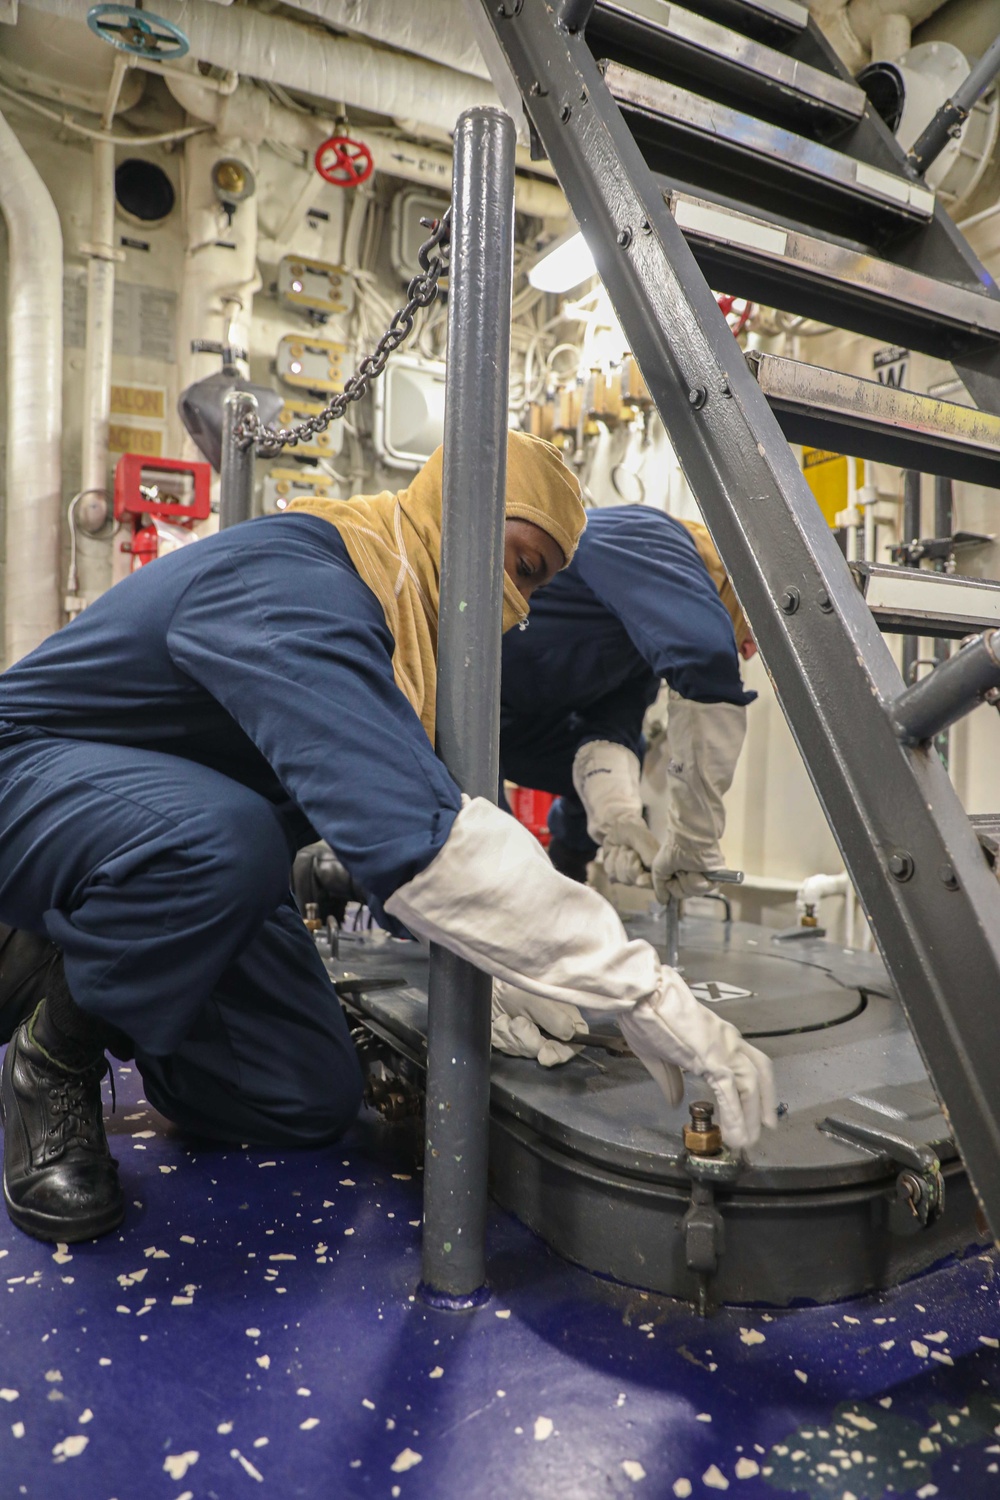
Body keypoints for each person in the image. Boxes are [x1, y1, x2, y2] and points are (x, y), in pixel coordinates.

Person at [0, 433, 774, 1245]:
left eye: (539, 580)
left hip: (180, 854)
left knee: (303, 1098)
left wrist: (501, 958)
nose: (520, 602)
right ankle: (54, 1056)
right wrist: (640, 989)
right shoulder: (306, 582)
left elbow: (406, 837)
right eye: (517, 562)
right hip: (34, 777)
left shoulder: (402, 641)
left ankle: (102, 953)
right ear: (455, 511)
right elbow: (414, 843)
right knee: (226, 840)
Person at [499, 504, 755, 896]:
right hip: (439, 711)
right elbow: (705, 662)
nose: (750, 650)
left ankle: (568, 864)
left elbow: (610, 729)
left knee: (624, 751)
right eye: (755, 635)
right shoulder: (647, 534)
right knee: (489, 869)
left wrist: (618, 819)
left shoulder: (641, 640)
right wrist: (696, 836)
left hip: (511, 726)